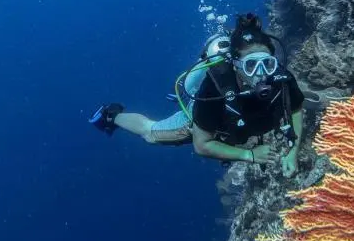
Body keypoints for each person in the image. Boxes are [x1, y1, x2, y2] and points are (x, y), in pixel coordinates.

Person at [88, 13, 305, 178]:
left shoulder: (281, 79)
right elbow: (202, 145)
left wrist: (293, 151)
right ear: (236, 65)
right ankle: (111, 115)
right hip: (206, 120)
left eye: (267, 63)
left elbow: (295, 108)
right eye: (250, 65)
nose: (261, 73)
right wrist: (249, 155)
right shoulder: (215, 89)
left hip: (241, 125)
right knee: (150, 134)